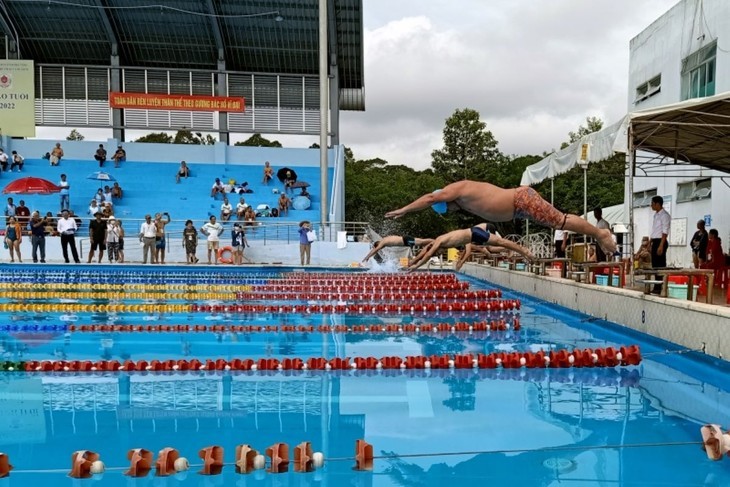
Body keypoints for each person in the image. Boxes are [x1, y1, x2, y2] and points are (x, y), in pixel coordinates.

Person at [384, 180, 617, 254]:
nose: (452, 211)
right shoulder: (461, 199)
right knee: (559, 221)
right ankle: (598, 234)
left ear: (445, 200)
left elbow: (428, 199)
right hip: (518, 208)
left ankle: (600, 233)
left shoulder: (456, 189)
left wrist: (403, 209)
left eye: (448, 208)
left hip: (520, 200)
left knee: (561, 221)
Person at [407, 223, 535, 271]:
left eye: (437, 252)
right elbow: (426, 250)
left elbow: (428, 253)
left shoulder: (439, 242)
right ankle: (521, 251)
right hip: (473, 235)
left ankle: (524, 250)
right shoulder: (441, 241)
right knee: (495, 246)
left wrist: (416, 267)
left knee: (501, 242)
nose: (439, 252)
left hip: (474, 232)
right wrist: (414, 261)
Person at [649, 195, 671, 294]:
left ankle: (661, 286)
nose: (651, 205)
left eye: (652, 203)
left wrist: (661, 245)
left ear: (657, 204)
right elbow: (655, 230)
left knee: (660, 265)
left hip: (660, 241)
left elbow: (664, 231)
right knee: (655, 265)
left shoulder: (664, 215)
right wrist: (650, 241)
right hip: (655, 240)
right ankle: (656, 286)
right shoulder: (656, 215)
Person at [361, 235, 435, 263]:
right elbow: (375, 249)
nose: (381, 248)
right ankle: (434, 241)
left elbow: (375, 249)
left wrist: (367, 257)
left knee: (422, 242)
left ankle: (436, 241)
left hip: (405, 240)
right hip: (404, 241)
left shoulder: (382, 242)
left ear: (378, 244)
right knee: (421, 242)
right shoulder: (384, 240)